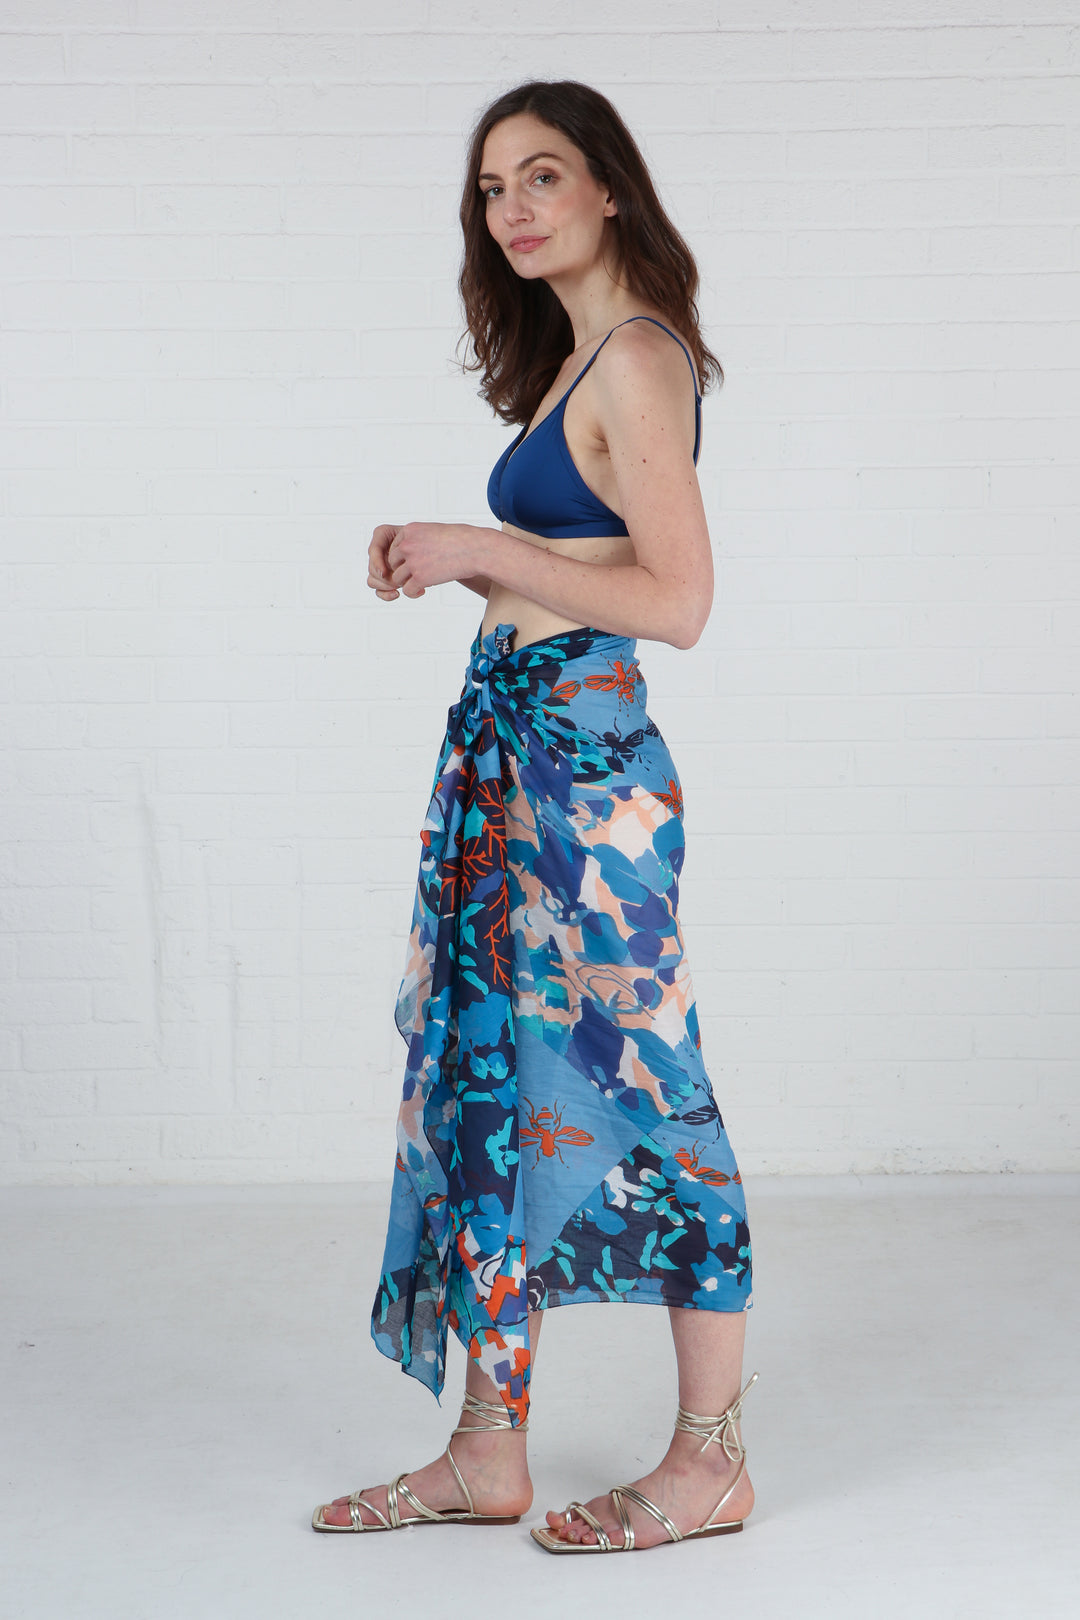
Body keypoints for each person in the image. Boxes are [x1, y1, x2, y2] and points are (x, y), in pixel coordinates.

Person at [311, 79, 757, 1555]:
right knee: (492, 1087)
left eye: (542, 175)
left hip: (589, 783)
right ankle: (487, 1447)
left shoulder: (635, 359)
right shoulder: (579, 361)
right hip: (519, 768)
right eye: (492, 185)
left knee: (653, 1093)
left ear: (609, 187)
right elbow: (583, 560)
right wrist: (464, 567)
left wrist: (481, 546)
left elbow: (678, 603)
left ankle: (708, 1460)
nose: (511, 206)